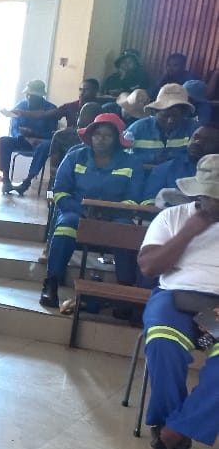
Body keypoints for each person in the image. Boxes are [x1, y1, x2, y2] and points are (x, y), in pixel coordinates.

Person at [138, 155, 219, 449]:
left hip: (217, 307)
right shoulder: (172, 217)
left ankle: (174, 431)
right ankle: (175, 429)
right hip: (174, 297)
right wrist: (190, 231)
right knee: (163, 342)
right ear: (198, 192)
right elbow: (148, 267)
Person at [39, 113, 145, 308]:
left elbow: (134, 198)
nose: (101, 139)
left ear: (117, 139)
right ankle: (51, 283)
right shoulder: (74, 156)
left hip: (116, 216)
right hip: (77, 213)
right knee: (66, 225)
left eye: (107, 135)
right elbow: (60, 191)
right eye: (97, 134)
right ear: (90, 136)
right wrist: (82, 210)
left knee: (127, 231)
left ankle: (125, 293)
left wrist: (111, 213)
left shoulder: (132, 163)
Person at [0, 79, 58, 196]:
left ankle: (26, 182)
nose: (29, 98)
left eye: (33, 96)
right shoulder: (20, 106)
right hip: (22, 140)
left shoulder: (51, 109)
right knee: (3, 141)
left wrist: (35, 134)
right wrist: (24, 137)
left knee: (45, 145)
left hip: (40, 141)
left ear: (41, 97)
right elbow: (14, 127)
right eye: (28, 95)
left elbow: (52, 132)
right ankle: (5, 180)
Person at [143, 124, 219, 206]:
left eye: (207, 140)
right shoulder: (164, 169)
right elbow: (149, 202)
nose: (197, 142)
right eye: (195, 137)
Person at [125, 83, 199, 165]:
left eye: (176, 116)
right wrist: (152, 158)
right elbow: (121, 155)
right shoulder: (137, 128)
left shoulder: (194, 129)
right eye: (165, 116)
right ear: (155, 112)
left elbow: (199, 157)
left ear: (183, 114)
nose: (170, 120)